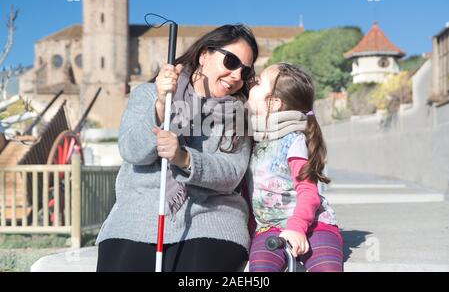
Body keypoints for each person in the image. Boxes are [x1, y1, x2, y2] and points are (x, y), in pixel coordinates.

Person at [96, 24, 258, 272]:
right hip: (138, 218)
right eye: (231, 61)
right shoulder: (148, 95)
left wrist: (183, 158)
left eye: (245, 71)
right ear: (204, 55)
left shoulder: (238, 114)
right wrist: (161, 105)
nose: (237, 75)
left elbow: (231, 174)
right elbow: (131, 150)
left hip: (212, 220)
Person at [246, 63, 344, 272]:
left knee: (327, 268)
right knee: (260, 270)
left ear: (273, 103)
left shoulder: (293, 141)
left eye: (258, 82)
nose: (251, 84)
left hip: (313, 225)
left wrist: (297, 228)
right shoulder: (254, 139)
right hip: (269, 228)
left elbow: (309, 192)